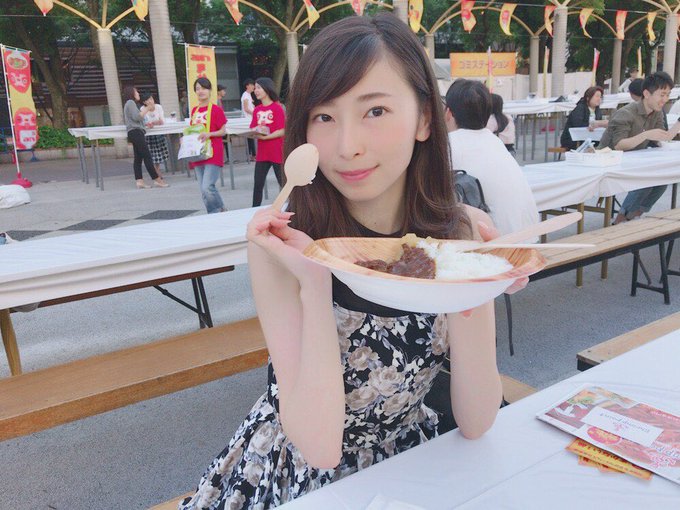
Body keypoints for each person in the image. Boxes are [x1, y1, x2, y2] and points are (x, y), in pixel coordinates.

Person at [180, 14, 521, 510]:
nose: (346, 147)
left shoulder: (455, 234)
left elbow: (477, 420)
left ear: (425, 119)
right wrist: (314, 282)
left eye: (375, 110)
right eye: (324, 117)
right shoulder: (280, 243)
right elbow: (319, 448)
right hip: (296, 475)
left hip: (411, 459)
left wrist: (474, 283)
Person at [446, 79, 538, 236]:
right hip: (529, 234)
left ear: (448, 113)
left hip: (496, 242)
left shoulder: (449, 144)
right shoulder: (494, 141)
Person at [601, 72, 680, 224]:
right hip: (609, 161)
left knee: (662, 181)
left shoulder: (657, 113)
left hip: (634, 160)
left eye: (668, 95)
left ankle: (632, 217)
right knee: (646, 180)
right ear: (646, 94)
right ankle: (619, 221)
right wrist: (646, 135)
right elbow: (619, 145)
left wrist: (678, 123)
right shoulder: (625, 113)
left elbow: (662, 137)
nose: (665, 99)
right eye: (662, 95)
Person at [188, 77, 227, 214]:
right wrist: (186, 140)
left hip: (213, 151)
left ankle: (214, 213)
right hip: (198, 153)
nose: (200, 91)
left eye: (204, 88)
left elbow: (223, 131)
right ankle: (220, 209)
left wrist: (209, 134)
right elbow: (192, 131)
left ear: (210, 90)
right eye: (197, 89)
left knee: (207, 187)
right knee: (203, 189)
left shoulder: (216, 110)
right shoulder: (194, 111)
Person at [122, 86, 168, 189]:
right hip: (136, 132)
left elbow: (137, 118)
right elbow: (137, 117)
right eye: (136, 92)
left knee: (138, 158)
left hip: (134, 132)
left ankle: (139, 181)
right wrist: (147, 108)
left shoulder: (129, 104)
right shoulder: (130, 102)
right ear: (131, 93)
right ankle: (157, 179)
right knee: (147, 156)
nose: (138, 93)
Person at [250, 77, 285, 207]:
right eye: (255, 88)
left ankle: (295, 208)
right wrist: (255, 133)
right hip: (262, 154)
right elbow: (253, 128)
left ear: (267, 88)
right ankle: (254, 210)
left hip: (277, 152)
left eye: (259, 87)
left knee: (283, 183)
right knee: (258, 184)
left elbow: (282, 130)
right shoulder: (257, 110)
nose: (256, 90)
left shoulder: (277, 108)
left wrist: (266, 137)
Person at [140, 92, 169, 179]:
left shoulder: (158, 107)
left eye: (151, 99)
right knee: (151, 153)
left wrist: (154, 123)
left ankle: (157, 169)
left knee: (159, 153)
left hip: (158, 133)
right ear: (144, 102)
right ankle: (156, 171)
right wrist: (153, 123)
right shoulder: (142, 109)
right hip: (149, 134)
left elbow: (162, 120)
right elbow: (144, 122)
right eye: (147, 100)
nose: (150, 101)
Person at [241, 78, 257, 162]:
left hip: (250, 119)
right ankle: (252, 155)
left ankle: (252, 155)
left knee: (251, 137)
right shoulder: (245, 95)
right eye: (252, 85)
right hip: (248, 119)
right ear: (247, 86)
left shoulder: (248, 95)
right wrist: (255, 113)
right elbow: (246, 108)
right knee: (250, 137)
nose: (253, 86)